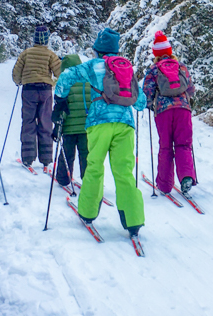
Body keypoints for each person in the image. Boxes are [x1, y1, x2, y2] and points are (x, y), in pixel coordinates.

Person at [53, 28, 147, 235]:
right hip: (125, 124)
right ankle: (133, 221)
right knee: (124, 172)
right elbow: (141, 102)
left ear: (97, 50)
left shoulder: (92, 66)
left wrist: (60, 99)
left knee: (94, 167)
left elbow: (67, 76)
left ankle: (87, 212)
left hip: (98, 123)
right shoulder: (126, 68)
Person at [141, 31, 197, 196]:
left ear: (156, 54)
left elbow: (147, 92)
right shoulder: (181, 67)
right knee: (184, 145)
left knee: (165, 147)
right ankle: (187, 176)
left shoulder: (154, 70)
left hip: (163, 112)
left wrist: (150, 105)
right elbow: (191, 89)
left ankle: (165, 185)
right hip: (183, 110)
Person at [12, 25, 61, 173]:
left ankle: (27, 157)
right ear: (46, 40)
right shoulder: (50, 55)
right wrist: (54, 84)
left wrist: (18, 81)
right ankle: (46, 159)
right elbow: (60, 72)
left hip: (29, 91)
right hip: (45, 90)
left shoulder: (26, 54)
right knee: (45, 122)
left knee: (28, 122)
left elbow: (16, 73)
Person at [53, 53, 92, 192]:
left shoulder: (64, 82)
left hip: (69, 127)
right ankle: (88, 179)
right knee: (86, 154)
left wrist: (57, 125)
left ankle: (63, 178)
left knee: (67, 154)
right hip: (86, 127)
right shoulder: (88, 81)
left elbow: (60, 105)